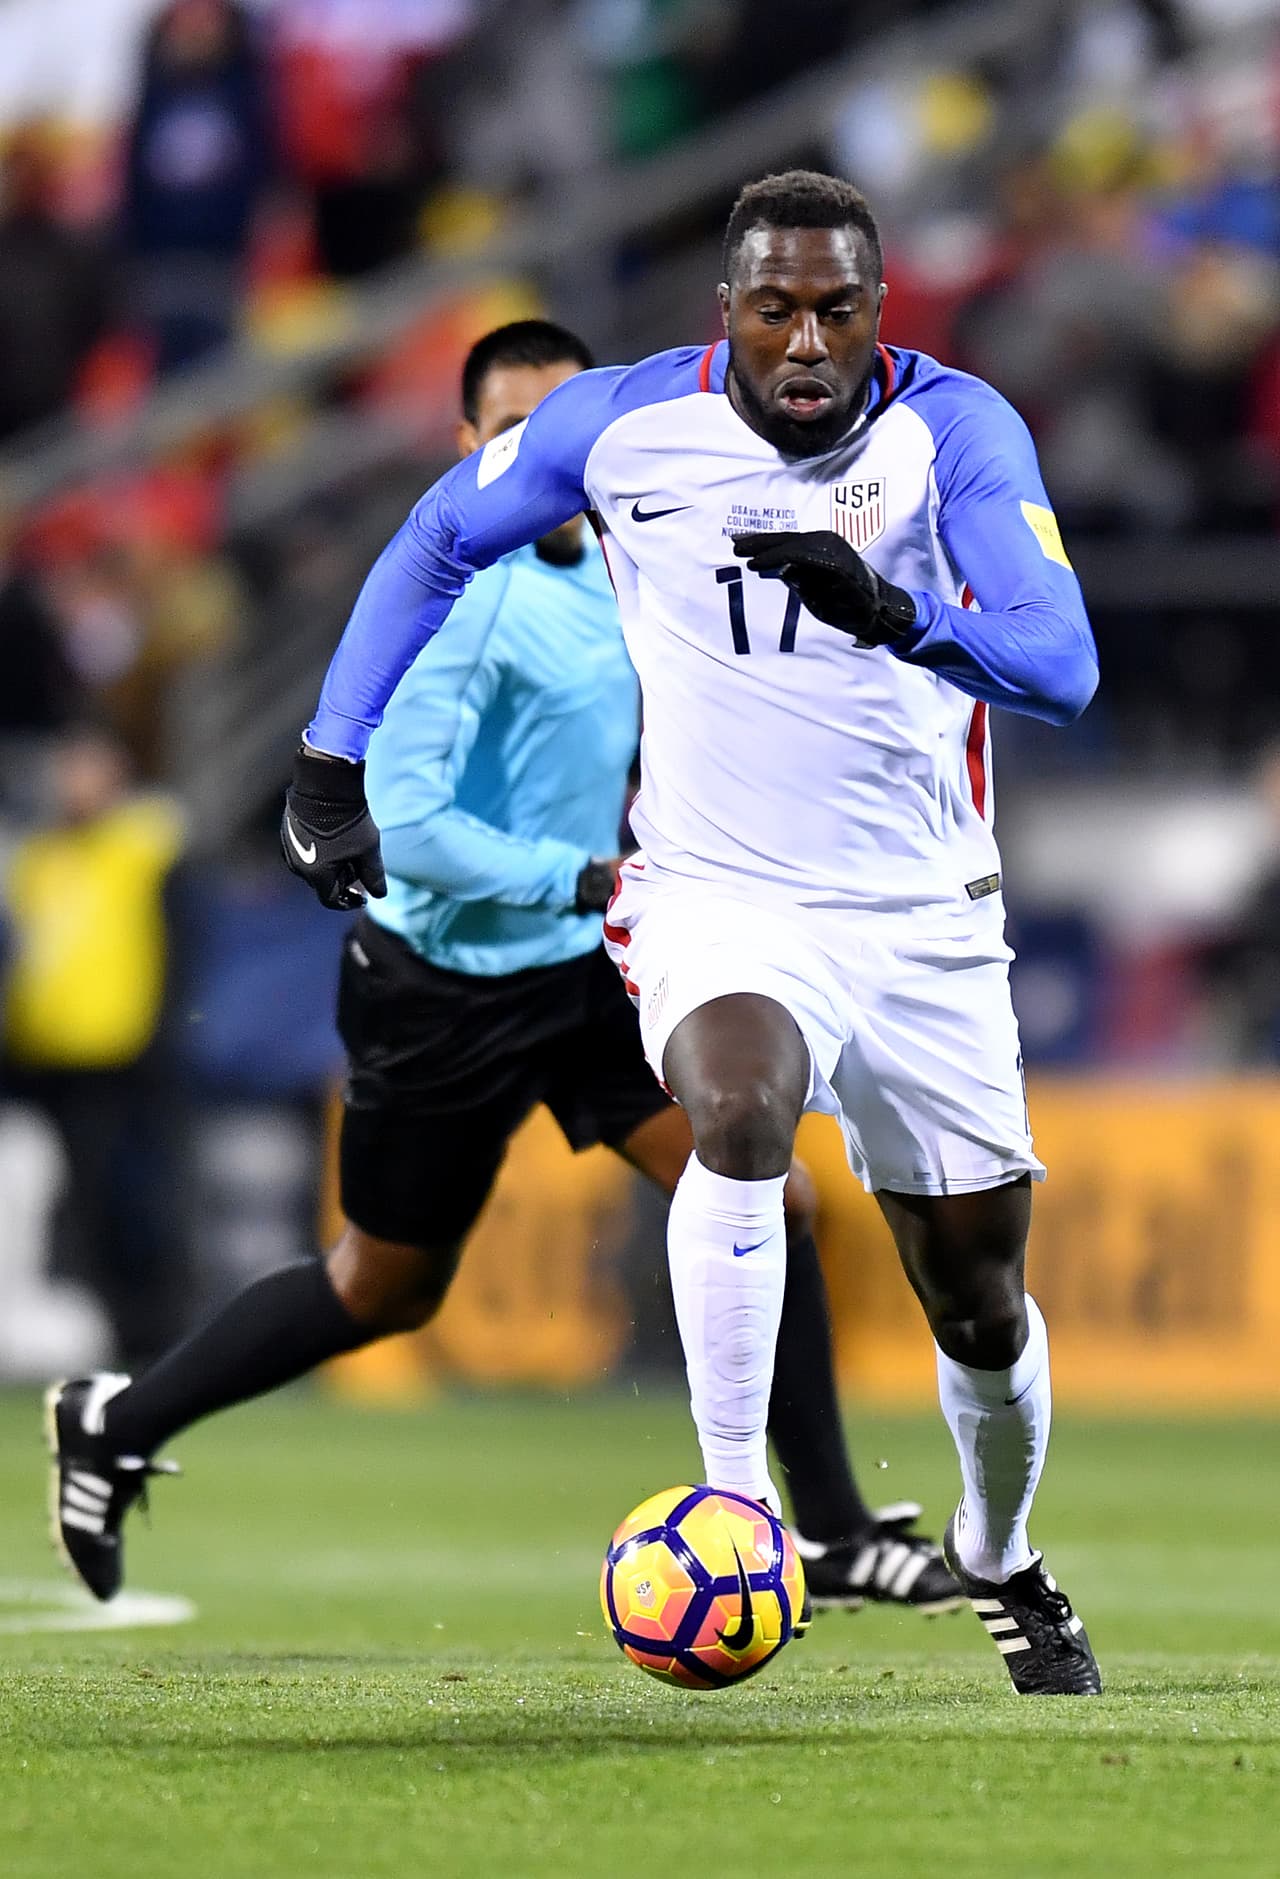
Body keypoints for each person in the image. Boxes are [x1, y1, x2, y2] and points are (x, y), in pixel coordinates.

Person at [262, 172, 1104, 1696]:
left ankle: (1000, 1550)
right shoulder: (617, 426)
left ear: (877, 313)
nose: (804, 341)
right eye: (773, 308)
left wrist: (899, 615)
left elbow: (1062, 665)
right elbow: (438, 537)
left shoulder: (955, 434)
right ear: (726, 310)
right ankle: (739, 1503)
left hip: (924, 917)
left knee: (976, 1295)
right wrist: (331, 756)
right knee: (734, 1108)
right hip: (721, 893)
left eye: (835, 311)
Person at [47, 317, 960, 1622]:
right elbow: (402, 826)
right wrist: (582, 876)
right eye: (511, 435)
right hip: (443, 991)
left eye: (562, 431)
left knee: (771, 1188)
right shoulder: (462, 603)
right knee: (384, 1285)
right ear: (467, 448)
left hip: (585, 971)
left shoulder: (618, 562)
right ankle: (119, 1420)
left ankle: (829, 1530)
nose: (543, 460)